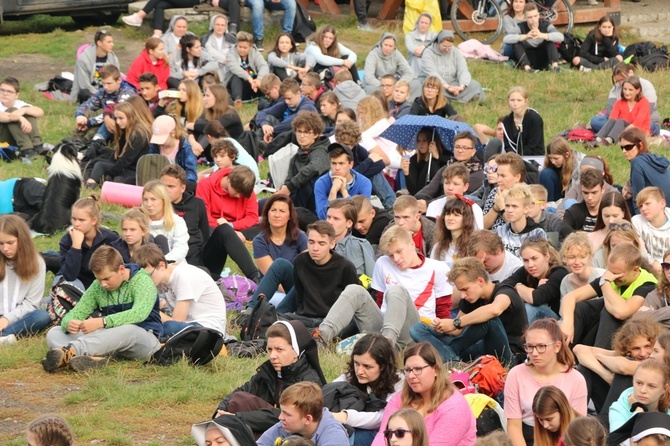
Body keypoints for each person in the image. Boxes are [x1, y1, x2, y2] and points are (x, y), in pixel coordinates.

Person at [315, 225, 451, 349]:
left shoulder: (437, 268)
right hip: (384, 325)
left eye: (399, 251)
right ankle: (320, 338)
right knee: (354, 290)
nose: (396, 259)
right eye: (391, 255)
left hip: (415, 331)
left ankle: (386, 347)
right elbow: (379, 302)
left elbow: (443, 311)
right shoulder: (382, 263)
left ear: (411, 244)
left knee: (396, 291)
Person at [42, 246, 162, 372]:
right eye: (99, 279)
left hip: (146, 340)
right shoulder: (98, 286)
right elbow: (76, 313)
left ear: (121, 269)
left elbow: (139, 314)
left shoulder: (142, 281)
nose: (103, 284)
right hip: (111, 341)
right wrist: (69, 323)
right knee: (55, 332)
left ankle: (72, 351)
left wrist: (102, 322)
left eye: (106, 278)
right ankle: (94, 358)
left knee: (129, 329)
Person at [214, 321, 326, 434]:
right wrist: (220, 412)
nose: (272, 356)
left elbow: (288, 415)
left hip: (293, 436)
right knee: (239, 398)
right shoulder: (269, 372)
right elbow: (240, 391)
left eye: (279, 350)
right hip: (268, 432)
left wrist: (237, 418)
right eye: (270, 350)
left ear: (296, 351)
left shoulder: (310, 382)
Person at [411, 256, 527, 364]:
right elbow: (457, 331)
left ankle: (449, 357)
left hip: (509, 357)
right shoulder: (471, 298)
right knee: (416, 329)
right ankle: (451, 359)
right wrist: (442, 326)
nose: (462, 296)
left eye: (465, 289)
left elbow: (494, 310)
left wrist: (456, 323)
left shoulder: (506, 292)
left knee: (489, 319)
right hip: (479, 351)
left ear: (480, 281)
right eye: (460, 291)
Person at [371, 342, 477, 446]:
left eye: (418, 369)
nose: (411, 376)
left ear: (435, 370)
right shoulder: (400, 398)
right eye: (408, 370)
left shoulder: (454, 406)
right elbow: (383, 436)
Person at [504, 319, 588, 446]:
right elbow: (514, 426)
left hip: (564, 437)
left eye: (541, 346)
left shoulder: (576, 379)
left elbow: (578, 426)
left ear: (557, 346)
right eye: (530, 347)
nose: (534, 353)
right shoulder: (516, 374)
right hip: (527, 437)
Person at [559, 242, 657, 350]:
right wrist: (567, 323)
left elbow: (621, 312)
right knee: (581, 308)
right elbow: (570, 297)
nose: (612, 277)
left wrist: (605, 283)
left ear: (635, 270)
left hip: (631, 330)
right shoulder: (610, 275)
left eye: (617, 274)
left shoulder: (648, 284)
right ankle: (566, 355)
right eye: (609, 271)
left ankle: (597, 358)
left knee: (609, 310)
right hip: (606, 327)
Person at [573, 314, 663, 425]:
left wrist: (599, 357)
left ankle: (604, 428)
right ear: (628, 349)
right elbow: (579, 349)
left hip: (649, 410)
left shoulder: (658, 363)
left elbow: (623, 367)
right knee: (586, 368)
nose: (643, 353)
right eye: (636, 348)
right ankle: (573, 421)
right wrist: (607, 375)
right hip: (622, 403)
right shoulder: (627, 356)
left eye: (647, 346)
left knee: (621, 374)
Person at [132, 244, 229, 338]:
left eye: (149, 275)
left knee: (167, 327)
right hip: (188, 324)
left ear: (161, 265)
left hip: (208, 328)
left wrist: (148, 311)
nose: (145, 281)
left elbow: (177, 321)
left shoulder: (183, 277)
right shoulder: (159, 279)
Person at [0, 215, 50, 345]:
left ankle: (4, 335)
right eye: (1, 243)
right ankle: (5, 338)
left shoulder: (37, 263)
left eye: (10, 243)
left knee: (41, 316)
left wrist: (7, 319)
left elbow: (32, 303)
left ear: (21, 240)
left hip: (19, 317)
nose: (5, 249)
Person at [257, 382, 349, 446]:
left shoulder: (334, 436)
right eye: (281, 411)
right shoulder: (284, 427)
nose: (280, 417)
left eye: (287, 414)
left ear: (308, 419)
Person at [57, 195, 119, 289]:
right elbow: (69, 276)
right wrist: (76, 247)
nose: (76, 224)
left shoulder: (110, 239)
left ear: (94, 220)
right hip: (77, 285)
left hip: (103, 284)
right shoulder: (67, 240)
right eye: (74, 219)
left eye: (81, 220)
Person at [275, 111, 330, 214]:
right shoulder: (296, 156)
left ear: (316, 134)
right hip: (295, 199)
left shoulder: (321, 151)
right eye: (299, 131)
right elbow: (289, 178)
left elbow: (313, 168)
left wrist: (290, 187)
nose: (301, 136)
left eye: (307, 132)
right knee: (263, 205)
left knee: (309, 180)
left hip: (313, 206)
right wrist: (284, 190)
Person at [504, 236, 567, 323]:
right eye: (525, 260)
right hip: (538, 324)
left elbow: (536, 298)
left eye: (534, 258)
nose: (530, 264)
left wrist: (518, 287)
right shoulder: (527, 271)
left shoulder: (559, 273)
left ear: (547, 256)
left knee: (532, 308)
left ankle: (517, 336)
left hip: (558, 323)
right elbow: (504, 285)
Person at [589, 62, 660, 135]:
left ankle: (616, 132)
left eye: (622, 79)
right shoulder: (616, 88)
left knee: (650, 126)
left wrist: (628, 123)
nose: (620, 83)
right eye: (618, 81)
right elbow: (610, 108)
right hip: (619, 121)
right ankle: (621, 132)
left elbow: (648, 110)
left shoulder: (646, 85)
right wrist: (619, 122)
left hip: (642, 121)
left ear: (631, 73)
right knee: (595, 122)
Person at [418, 133, 486, 208]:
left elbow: (454, 195)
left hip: (456, 208)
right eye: (457, 147)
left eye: (465, 148)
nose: (460, 150)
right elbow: (430, 188)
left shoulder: (478, 174)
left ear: (473, 152)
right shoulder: (446, 167)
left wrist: (428, 204)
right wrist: (413, 201)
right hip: (434, 203)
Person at [160, 165, 208, 265]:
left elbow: (205, 234)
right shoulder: (155, 205)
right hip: (170, 256)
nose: (166, 190)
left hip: (196, 254)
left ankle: (250, 274)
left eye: (171, 186)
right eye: (163, 186)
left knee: (224, 230)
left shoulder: (197, 204)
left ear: (182, 188)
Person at [418, 30, 484, 103]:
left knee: (475, 85)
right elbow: (432, 73)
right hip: (434, 82)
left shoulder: (455, 52)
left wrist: (461, 86)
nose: (447, 49)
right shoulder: (428, 53)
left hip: (452, 82)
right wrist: (448, 87)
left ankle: (447, 97)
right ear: (439, 42)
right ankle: (443, 98)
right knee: (431, 89)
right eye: (444, 46)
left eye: (450, 46)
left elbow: (463, 70)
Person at [74, 64, 136, 140]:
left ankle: (94, 142)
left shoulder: (128, 92)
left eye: (109, 83)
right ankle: (74, 141)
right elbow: (88, 105)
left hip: (127, 126)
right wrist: (80, 115)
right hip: (106, 122)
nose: (106, 87)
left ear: (119, 80)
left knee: (110, 120)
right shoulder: (103, 92)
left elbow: (116, 114)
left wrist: (89, 122)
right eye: (103, 83)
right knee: (88, 114)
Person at [253, 194, 307, 277]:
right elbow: (272, 277)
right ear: (267, 213)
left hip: (298, 284)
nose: (277, 215)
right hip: (272, 287)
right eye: (273, 210)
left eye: (282, 211)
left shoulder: (301, 236)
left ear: (289, 216)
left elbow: (308, 268)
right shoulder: (259, 241)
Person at [609, 358, 670, 432]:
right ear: (633, 380)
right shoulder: (618, 408)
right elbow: (619, 441)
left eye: (651, 386)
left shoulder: (667, 410)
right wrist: (638, 409)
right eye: (639, 383)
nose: (642, 390)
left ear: (664, 389)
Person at [620, 128, 670, 215]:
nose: (624, 151)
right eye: (622, 147)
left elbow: (638, 199)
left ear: (640, 145)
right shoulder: (653, 159)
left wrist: (640, 224)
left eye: (628, 147)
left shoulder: (637, 162)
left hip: (659, 213)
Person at [255, 78, 317, 144]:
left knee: (292, 131)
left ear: (298, 93)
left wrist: (272, 131)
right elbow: (262, 112)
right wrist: (264, 124)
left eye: (289, 98)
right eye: (284, 98)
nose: (287, 101)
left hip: (301, 137)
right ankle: (256, 143)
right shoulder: (286, 104)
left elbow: (292, 123)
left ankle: (258, 144)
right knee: (268, 118)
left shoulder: (308, 106)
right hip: (282, 133)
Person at [494, 184, 547, 260]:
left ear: (526, 209)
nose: (509, 210)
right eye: (507, 206)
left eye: (514, 206)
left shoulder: (537, 233)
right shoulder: (500, 231)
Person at [594, 76, 650, 146]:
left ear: (638, 90)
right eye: (625, 89)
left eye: (630, 90)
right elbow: (612, 118)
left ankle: (608, 141)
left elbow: (637, 123)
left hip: (638, 131)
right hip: (622, 129)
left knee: (621, 121)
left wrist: (621, 132)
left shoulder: (644, 102)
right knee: (612, 120)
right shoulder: (619, 102)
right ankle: (597, 139)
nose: (627, 92)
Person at [142, 180, 190, 263]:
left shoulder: (178, 221)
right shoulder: (139, 221)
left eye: (153, 199)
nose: (149, 204)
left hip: (172, 265)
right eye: (145, 200)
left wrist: (163, 262)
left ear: (163, 201)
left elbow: (181, 248)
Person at [508, 2, 563, 73]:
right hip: (527, 59)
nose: (533, 19)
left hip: (543, 59)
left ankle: (555, 67)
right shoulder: (521, 27)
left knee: (550, 40)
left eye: (535, 16)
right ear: (525, 18)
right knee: (517, 43)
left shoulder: (545, 25)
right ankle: (528, 69)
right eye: (530, 17)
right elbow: (507, 38)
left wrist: (541, 35)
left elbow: (561, 37)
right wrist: (526, 36)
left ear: (538, 15)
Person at [425, 163, 484, 227]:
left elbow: (478, 234)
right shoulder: (433, 206)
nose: (450, 188)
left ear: (465, 187)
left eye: (456, 184)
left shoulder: (474, 209)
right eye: (447, 183)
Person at [148, 114, 197, 190]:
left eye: (162, 138)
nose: (159, 143)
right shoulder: (155, 146)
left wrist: (178, 184)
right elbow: (149, 166)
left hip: (177, 184)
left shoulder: (185, 148)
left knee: (191, 185)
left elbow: (191, 173)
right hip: (158, 182)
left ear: (173, 133)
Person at [0, 77, 45, 158]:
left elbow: (40, 112)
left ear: (16, 95)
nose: (5, 94)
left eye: (9, 92)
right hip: (2, 138)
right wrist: (20, 117)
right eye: (2, 90)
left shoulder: (19, 104)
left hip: (15, 137)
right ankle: (26, 149)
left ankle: (37, 145)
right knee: (12, 111)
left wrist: (24, 110)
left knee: (28, 110)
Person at [71, 30, 120, 104]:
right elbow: (84, 84)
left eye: (112, 42)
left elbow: (116, 79)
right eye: (109, 42)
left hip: (107, 90)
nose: (112, 44)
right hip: (91, 90)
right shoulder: (84, 59)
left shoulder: (113, 59)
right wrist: (99, 94)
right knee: (84, 93)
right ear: (99, 43)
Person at [559, 169, 607, 242]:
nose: (589, 197)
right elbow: (563, 228)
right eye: (586, 193)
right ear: (581, 189)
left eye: (594, 192)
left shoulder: (610, 209)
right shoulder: (574, 211)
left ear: (603, 189)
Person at [482, 152, 527, 230]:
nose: (499, 180)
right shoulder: (496, 191)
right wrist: (495, 208)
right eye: (498, 175)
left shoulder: (526, 195)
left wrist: (502, 207)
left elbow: (518, 229)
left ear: (517, 177)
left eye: (503, 176)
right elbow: (483, 226)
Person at [431, 197, 476, 269]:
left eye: (456, 215)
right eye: (448, 214)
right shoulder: (438, 247)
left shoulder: (474, 246)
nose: (450, 218)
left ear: (466, 219)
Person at [224, 31, 269, 104]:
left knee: (265, 75)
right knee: (236, 76)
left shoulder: (255, 52)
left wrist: (259, 79)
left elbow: (263, 66)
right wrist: (248, 78)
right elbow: (235, 68)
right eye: (240, 47)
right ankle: (238, 100)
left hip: (253, 85)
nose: (242, 49)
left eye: (245, 48)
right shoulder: (230, 54)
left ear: (250, 47)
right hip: (237, 86)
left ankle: (265, 95)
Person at [632, 187, 670, 274]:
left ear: (662, 203)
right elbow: (641, 250)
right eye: (640, 206)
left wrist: (663, 264)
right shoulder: (637, 221)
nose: (643, 209)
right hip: (648, 267)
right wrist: (652, 263)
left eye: (647, 204)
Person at [403, 130, 450, 196]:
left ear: (433, 142)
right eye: (419, 141)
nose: (421, 144)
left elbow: (453, 164)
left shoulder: (445, 154)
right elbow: (413, 191)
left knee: (432, 163)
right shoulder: (414, 159)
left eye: (424, 140)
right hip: (422, 193)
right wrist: (406, 174)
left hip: (441, 193)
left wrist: (438, 157)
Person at [540, 136, 585, 203]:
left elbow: (575, 196)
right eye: (550, 158)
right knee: (546, 174)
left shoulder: (579, 166)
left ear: (567, 155)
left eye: (556, 158)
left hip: (571, 200)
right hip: (558, 196)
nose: (553, 162)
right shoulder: (551, 164)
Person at [501, 86, 544, 156]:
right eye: (512, 100)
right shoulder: (506, 121)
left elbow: (533, 145)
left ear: (525, 101)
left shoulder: (534, 119)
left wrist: (520, 157)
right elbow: (508, 146)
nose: (515, 104)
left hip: (534, 158)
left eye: (519, 100)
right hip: (514, 160)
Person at [560, 232, 606, 297]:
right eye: (572, 257)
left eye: (582, 257)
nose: (577, 262)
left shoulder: (601, 276)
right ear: (564, 258)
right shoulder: (565, 282)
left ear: (590, 257)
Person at [587, 191, 631, 256]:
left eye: (615, 216)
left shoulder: (634, 238)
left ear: (623, 213)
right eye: (606, 216)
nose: (610, 220)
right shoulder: (590, 238)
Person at [201, 15, 238, 82]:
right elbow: (208, 51)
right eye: (217, 24)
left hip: (228, 69)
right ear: (213, 25)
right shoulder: (206, 39)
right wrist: (223, 58)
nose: (220, 27)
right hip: (212, 69)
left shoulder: (231, 39)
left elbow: (235, 52)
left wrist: (226, 57)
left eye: (222, 25)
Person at [643, 254, 670, 330]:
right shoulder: (660, 291)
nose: (669, 271)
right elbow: (639, 317)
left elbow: (647, 317)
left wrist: (651, 314)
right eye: (667, 266)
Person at [405, 13, 437, 78]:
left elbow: (436, 48)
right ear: (418, 23)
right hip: (414, 62)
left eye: (426, 23)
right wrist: (426, 49)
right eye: (422, 22)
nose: (423, 25)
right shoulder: (410, 35)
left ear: (429, 25)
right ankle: (416, 78)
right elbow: (414, 50)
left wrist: (424, 47)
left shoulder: (434, 35)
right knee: (416, 58)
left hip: (430, 59)